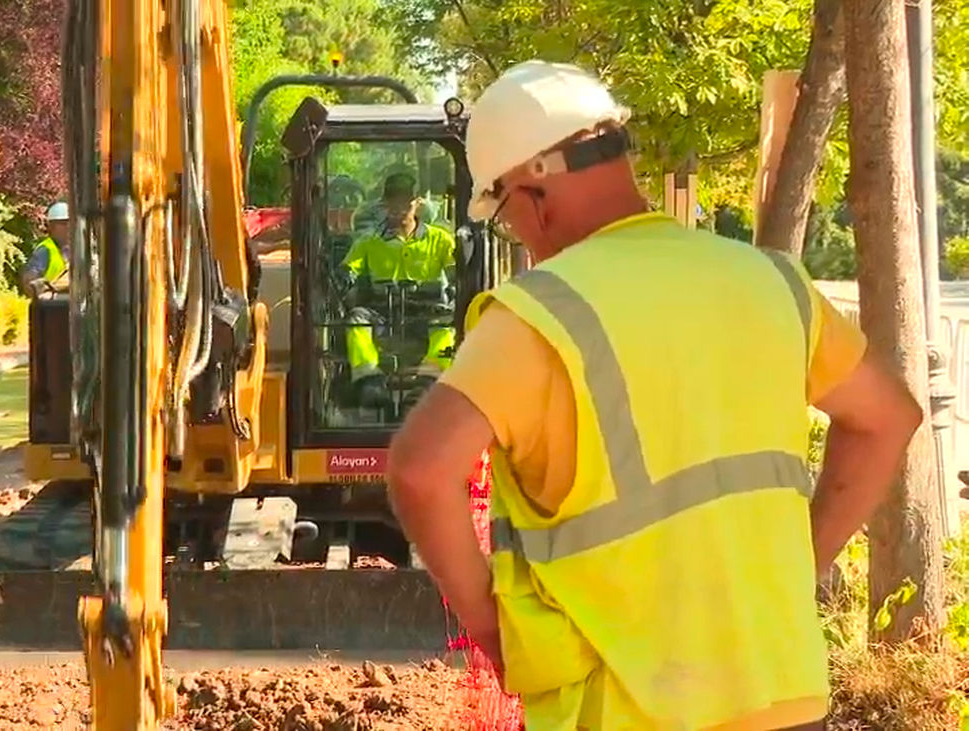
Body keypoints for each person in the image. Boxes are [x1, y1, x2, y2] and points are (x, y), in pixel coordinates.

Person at [385, 60, 922, 730]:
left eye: (505, 215)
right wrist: (802, 561)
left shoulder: (539, 315)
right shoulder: (771, 281)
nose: (519, 235)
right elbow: (889, 417)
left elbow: (419, 469)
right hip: (782, 697)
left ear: (533, 193)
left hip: (625, 708)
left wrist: (493, 631)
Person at [338, 172, 456, 408]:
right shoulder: (368, 242)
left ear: (418, 203)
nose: (399, 207)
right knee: (356, 319)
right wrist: (343, 278)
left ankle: (427, 384)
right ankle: (369, 381)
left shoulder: (441, 240)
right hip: (383, 314)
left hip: (426, 314)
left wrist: (455, 286)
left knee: (447, 321)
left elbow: (456, 271)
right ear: (384, 204)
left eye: (405, 201)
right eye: (393, 201)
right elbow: (347, 270)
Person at [20, 201, 71, 297]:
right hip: (51, 307)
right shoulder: (44, 250)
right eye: (63, 223)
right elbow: (29, 284)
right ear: (51, 226)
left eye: (70, 223)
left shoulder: (77, 249)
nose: (68, 227)